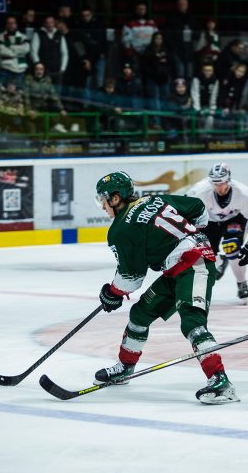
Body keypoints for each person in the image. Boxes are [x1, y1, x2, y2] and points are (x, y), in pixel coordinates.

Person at [94, 171, 239, 404]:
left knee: (192, 321)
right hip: (179, 267)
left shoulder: (120, 230)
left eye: (103, 200)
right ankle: (124, 368)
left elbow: (132, 277)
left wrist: (113, 293)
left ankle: (220, 382)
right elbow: (198, 208)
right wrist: (190, 236)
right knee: (140, 313)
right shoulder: (153, 199)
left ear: (115, 198)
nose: (102, 207)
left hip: (195, 265)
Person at [184, 163, 248, 302]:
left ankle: (241, 283)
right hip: (209, 222)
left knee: (232, 248)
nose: (219, 187)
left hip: (234, 220)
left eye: (222, 183)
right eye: (215, 183)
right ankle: (221, 262)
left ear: (229, 180)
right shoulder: (198, 191)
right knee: (206, 254)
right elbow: (184, 210)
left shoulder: (244, 193)